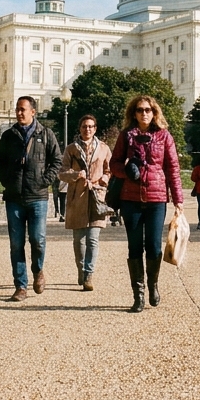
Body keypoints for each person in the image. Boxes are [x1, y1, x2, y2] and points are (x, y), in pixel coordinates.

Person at [110, 95, 184, 313]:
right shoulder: (126, 136)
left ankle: (153, 284)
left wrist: (178, 199)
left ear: (154, 113)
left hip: (156, 197)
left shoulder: (164, 136)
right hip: (130, 198)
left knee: (153, 245)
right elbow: (113, 163)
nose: (144, 113)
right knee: (135, 247)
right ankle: (138, 295)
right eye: (140, 110)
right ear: (134, 113)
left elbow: (173, 168)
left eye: (148, 110)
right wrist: (125, 170)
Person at [0, 96, 62, 302]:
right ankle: (20, 285)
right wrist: (8, 182)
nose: (19, 113)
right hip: (14, 197)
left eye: (23, 109)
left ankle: (38, 270)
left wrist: (44, 181)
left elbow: (56, 160)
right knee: (16, 243)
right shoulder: (9, 136)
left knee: (37, 239)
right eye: (17, 109)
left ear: (33, 111)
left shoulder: (46, 134)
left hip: (37, 196)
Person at [59, 114, 111, 291]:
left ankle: (89, 274)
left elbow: (110, 170)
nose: (87, 129)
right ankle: (81, 269)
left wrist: (104, 179)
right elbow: (61, 172)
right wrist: (75, 175)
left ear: (95, 128)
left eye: (90, 126)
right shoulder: (71, 149)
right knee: (79, 240)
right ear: (79, 129)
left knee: (93, 239)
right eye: (84, 126)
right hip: (78, 197)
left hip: (97, 197)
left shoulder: (103, 148)